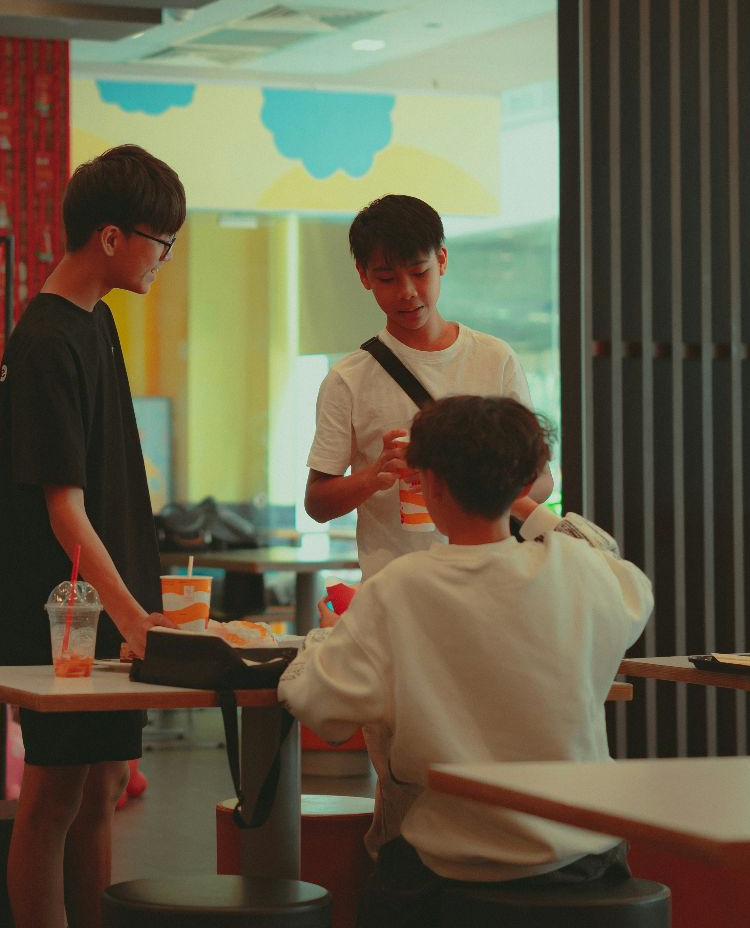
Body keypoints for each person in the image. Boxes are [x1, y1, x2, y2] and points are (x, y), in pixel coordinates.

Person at [279, 396, 654, 928]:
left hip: (453, 868)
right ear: (525, 483)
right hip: (585, 859)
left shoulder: (400, 589)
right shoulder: (579, 570)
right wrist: (524, 505)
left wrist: (327, 636)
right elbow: (611, 563)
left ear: (426, 483)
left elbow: (319, 706)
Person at [0, 143, 185, 928]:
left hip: (105, 610)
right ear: (110, 237)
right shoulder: (44, 342)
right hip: (64, 616)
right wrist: (133, 616)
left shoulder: (96, 324)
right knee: (54, 797)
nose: (163, 257)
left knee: (101, 785)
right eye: (158, 240)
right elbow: (62, 508)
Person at [305, 194, 550, 578]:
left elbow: (541, 482)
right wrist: (373, 476)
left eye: (419, 272)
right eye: (387, 278)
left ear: (442, 261)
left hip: (490, 581)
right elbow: (317, 504)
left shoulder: (494, 357)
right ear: (364, 276)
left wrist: (474, 489)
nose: (407, 291)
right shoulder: (348, 378)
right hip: (395, 590)